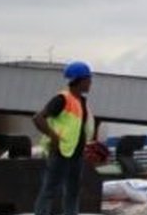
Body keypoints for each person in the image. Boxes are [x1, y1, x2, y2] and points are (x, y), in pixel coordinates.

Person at [32, 61, 100, 215]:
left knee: (73, 191)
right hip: (61, 152)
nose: (90, 83)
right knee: (50, 189)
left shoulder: (80, 101)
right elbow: (38, 118)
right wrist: (53, 137)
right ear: (80, 80)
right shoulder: (62, 99)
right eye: (88, 79)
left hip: (75, 153)